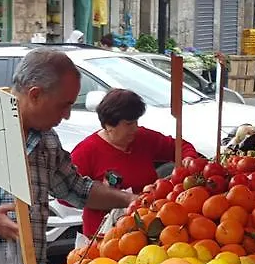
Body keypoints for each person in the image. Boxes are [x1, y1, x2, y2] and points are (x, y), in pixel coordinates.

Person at [0, 48, 134, 264]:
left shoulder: (47, 140)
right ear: (35, 94)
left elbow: (76, 188)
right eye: (63, 105)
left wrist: (130, 199)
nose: (67, 115)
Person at [71, 89, 197, 237]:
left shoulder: (142, 138)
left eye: (136, 121)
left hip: (148, 229)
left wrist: (189, 159)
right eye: (129, 124)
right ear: (109, 125)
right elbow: (67, 194)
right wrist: (101, 193)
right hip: (105, 236)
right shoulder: (86, 151)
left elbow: (180, 147)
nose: (135, 128)